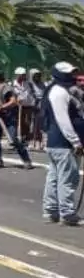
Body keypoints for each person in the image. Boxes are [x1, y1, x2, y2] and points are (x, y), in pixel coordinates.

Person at [42, 62, 83, 226]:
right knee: (67, 178)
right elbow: (63, 120)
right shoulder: (58, 92)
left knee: (54, 177)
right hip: (63, 143)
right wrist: (75, 141)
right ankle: (67, 213)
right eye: (68, 74)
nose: (71, 77)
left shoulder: (65, 90)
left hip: (57, 142)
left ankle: (51, 210)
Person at [0, 69, 35, 170]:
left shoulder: (4, 87)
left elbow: (13, 101)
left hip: (8, 117)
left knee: (13, 139)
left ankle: (26, 160)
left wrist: (2, 107)